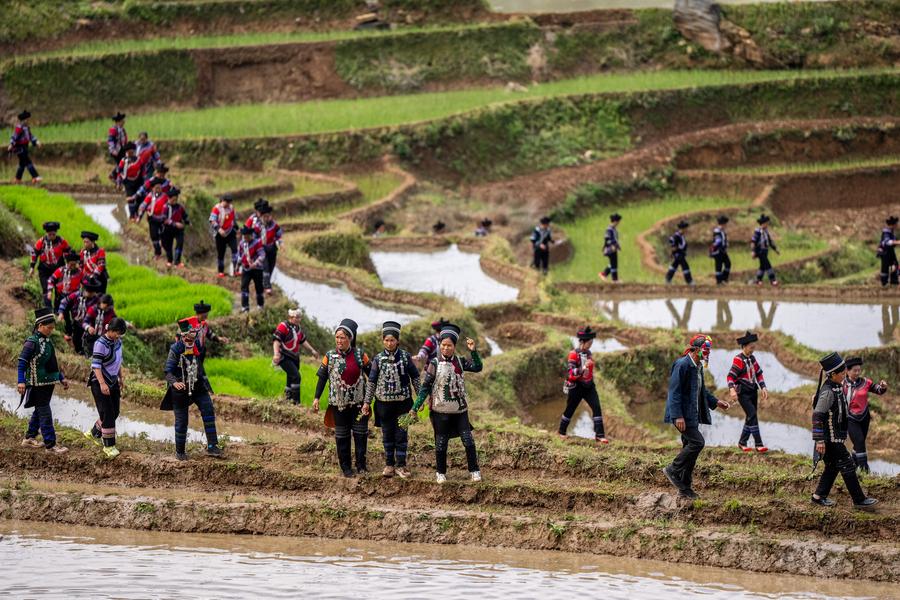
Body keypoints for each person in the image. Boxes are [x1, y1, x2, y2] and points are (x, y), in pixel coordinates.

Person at [412, 323, 483, 483]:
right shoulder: (434, 364)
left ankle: (474, 470)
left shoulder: (460, 361)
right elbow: (425, 388)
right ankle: (440, 472)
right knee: (441, 442)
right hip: (440, 411)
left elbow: (478, 367)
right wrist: (415, 407)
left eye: (449, 346)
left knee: (468, 440)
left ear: (454, 346)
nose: (446, 348)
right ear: (440, 345)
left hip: (460, 411)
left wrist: (473, 351)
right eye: (443, 345)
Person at [663, 334, 729, 499]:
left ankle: (685, 488)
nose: (707, 353)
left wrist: (716, 402)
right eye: (705, 350)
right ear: (697, 350)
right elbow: (674, 392)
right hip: (682, 415)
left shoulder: (698, 366)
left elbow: (701, 390)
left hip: (692, 414)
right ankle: (672, 469)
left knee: (690, 451)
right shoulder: (682, 365)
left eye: (709, 350)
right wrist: (678, 416)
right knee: (698, 442)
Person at [811, 353, 878, 510]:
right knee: (847, 464)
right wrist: (819, 440)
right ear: (833, 374)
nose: (844, 376)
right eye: (842, 373)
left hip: (835, 437)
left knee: (833, 466)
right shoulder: (828, 391)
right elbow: (817, 416)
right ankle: (859, 500)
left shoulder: (836, 386)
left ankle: (818, 496)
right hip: (829, 438)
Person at [313, 319, 371, 477]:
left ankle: (361, 465)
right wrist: (316, 398)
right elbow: (322, 378)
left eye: (342, 337)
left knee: (361, 436)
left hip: (358, 404)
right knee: (342, 437)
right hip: (338, 405)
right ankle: (345, 467)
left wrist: (370, 398)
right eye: (337, 337)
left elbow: (372, 375)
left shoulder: (360, 355)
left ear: (350, 338)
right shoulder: (329, 356)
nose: (339, 340)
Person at [160, 317, 224, 461]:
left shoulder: (198, 347)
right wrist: (175, 383)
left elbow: (199, 365)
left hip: (198, 386)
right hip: (180, 389)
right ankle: (180, 452)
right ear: (183, 335)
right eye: (187, 335)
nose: (190, 338)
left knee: (208, 410)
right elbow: (168, 371)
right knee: (182, 421)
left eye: (193, 334)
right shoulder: (175, 349)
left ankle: (213, 446)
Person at [363, 321, 420, 478]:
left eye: (392, 340)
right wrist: (367, 402)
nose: (389, 343)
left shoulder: (406, 357)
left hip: (404, 405)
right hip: (383, 406)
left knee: (402, 434)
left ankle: (401, 465)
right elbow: (372, 381)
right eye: (386, 340)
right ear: (383, 341)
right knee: (387, 434)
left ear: (397, 341)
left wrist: (419, 400)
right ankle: (389, 464)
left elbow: (415, 377)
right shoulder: (378, 359)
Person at [17, 308, 68, 454]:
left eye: (52, 328)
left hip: (48, 383)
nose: (51, 330)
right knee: (45, 412)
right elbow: (22, 362)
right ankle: (50, 445)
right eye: (49, 328)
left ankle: (29, 437)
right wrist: (21, 381)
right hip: (37, 383)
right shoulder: (31, 343)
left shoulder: (47, 341)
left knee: (40, 410)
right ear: (40, 326)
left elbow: (53, 364)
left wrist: (61, 378)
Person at [85, 317, 127, 459]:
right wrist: (102, 384)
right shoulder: (100, 344)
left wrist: (121, 378)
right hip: (100, 382)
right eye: (118, 333)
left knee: (115, 412)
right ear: (111, 330)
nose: (118, 336)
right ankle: (109, 446)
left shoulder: (118, 342)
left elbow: (118, 361)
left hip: (113, 380)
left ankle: (94, 433)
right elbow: (96, 366)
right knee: (108, 413)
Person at [559, 326, 608, 443]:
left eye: (591, 343)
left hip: (589, 386)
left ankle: (600, 435)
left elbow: (588, 371)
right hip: (576, 386)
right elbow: (571, 372)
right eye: (590, 343)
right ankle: (561, 431)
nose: (591, 345)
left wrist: (588, 370)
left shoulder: (589, 353)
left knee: (596, 407)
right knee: (570, 409)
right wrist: (584, 368)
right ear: (583, 342)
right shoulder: (573, 354)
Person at [843, 357, 887, 474]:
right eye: (854, 371)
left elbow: (878, 390)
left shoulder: (865, 382)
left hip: (864, 417)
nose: (857, 373)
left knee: (858, 444)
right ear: (847, 371)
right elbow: (832, 397)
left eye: (859, 370)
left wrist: (882, 387)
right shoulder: (842, 384)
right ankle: (865, 470)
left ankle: (852, 466)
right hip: (850, 418)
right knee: (860, 441)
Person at [727, 331, 768, 453]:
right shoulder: (738, 360)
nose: (753, 350)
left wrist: (763, 387)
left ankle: (742, 442)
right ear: (744, 346)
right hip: (743, 393)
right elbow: (730, 376)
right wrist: (732, 389)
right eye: (751, 347)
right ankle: (759, 444)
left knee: (750, 417)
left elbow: (759, 373)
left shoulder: (752, 358)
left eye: (754, 347)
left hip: (752, 391)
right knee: (753, 415)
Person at [272, 308, 319, 405]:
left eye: (299, 317)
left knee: (290, 378)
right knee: (296, 377)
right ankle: (296, 402)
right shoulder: (283, 326)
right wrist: (276, 354)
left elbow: (303, 340)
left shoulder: (297, 328)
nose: (298, 319)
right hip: (284, 357)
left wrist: (312, 350)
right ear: (290, 317)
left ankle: (287, 400)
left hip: (294, 358)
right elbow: (276, 340)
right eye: (296, 317)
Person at [57, 276, 102, 355]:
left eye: (93, 292)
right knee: (77, 340)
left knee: (89, 341)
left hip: (89, 325)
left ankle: (88, 353)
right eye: (89, 291)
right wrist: (61, 313)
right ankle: (70, 336)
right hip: (77, 321)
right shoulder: (76, 295)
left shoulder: (97, 300)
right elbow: (64, 302)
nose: (91, 294)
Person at [30, 221, 69, 305]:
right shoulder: (41, 241)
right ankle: (48, 310)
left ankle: (57, 310)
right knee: (46, 289)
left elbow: (69, 252)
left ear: (56, 233)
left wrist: (69, 265)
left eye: (53, 235)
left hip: (58, 270)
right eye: (49, 235)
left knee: (59, 290)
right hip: (44, 270)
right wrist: (32, 267)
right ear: (47, 233)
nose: (51, 236)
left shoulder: (61, 241)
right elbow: (34, 253)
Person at [115, 142, 151, 218]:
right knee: (130, 198)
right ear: (126, 152)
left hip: (139, 181)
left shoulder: (139, 160)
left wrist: (144, 181)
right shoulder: (123, 161)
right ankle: (132, 215)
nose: (130, 153)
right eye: (128, 152)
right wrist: (118, 183)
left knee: (139, 197)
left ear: (134, 152)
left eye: (131, 152)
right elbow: (119, 173)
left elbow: (143, 171)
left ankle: (137, 214)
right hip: (128, 182)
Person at [137, 180, 169, 260]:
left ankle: (167, 251)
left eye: (159, 188)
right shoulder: (150, 196)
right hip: (152, 219)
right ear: (152, 189)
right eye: (156, 188)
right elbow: (143, 206)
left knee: (164, 236)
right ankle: (157, 253)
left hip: (163, 219)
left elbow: (170, 206)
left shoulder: (165, 196)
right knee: (154, 237)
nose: (158, 190)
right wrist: (139, 216)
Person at [236, 225, 266, 312]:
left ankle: (260, 306)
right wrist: (237, 266)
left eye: (247, 236)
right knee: (244, 287)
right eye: (244, 237)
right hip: (246, 269)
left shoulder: (257, 243)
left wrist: (256, 263)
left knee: (259, 287)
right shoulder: (242, 244)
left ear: (251, 235)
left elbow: (262, 255)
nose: (245, 238)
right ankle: (245, 307)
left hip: (257, 269)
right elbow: (240, 255)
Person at [255, 204, 282, 294]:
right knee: (265, 267)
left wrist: (279, 242)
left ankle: (265, 282)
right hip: (262, 250)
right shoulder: (257, 226)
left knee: (271, 267)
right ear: (261, 217)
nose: (267, 218)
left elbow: (279, 234)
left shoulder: (274, 225)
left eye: (268, 216)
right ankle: (267, 287)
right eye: (265, 216)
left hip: (272, 249)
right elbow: (254, 238)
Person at [8, 110, 41, 184]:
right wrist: (11, 144)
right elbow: (14, 136)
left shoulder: (27, 128)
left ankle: (17, 179)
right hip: (20, 148)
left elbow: (30, 136)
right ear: (25, 119)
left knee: (22, 164)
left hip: (25, 147)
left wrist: (36, 141)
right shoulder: (19, 128)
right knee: (28, 162)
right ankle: (35, 177)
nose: (28, 120)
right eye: (28, 119)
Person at [46, 252, 83, 316]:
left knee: (75, 315)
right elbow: (50, 280)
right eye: (71, 264)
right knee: (61, 314)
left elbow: (85, 283)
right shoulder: (61, 270)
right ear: (67, 263)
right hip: (60, 296)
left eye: (74, 264)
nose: (72, 267)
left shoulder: (80, 272)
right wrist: (50, 291)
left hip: (74, 297)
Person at [209, 194, 238, 278]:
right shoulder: (216, 208)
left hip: (230, 232)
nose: (228, 204)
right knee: (221, 253)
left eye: (229, 202)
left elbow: (233, 219)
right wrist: (219, 229)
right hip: (220, 234)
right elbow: (212, 220)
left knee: (235, 250)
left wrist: (237, 228)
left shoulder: (231, 208)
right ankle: (220, 271)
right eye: (227, 202)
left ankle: (235, 270)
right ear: (222, 201)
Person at [160, 187, 189, 268]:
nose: (175, 201)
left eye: (176, 200)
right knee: (168, 246)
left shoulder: (180, 207)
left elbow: (184, 215)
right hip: (168, 229)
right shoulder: (165, 207)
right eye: (173, 200)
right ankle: (169, 260)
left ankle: (177, 262)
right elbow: (164, 219)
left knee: (180, 244)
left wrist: (187, 221)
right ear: (169, 199)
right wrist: (174, 223)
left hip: (179, 230)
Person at [83, 294, 118, 358]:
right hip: (91, 336)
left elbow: (116, 323)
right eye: (105, 306)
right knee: (90, 353)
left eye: (108, 307)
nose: (107, 308)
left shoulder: (111, 313)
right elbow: (84, 322)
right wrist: (88, 327)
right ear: (101, 303)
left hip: (103, 338)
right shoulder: (93, 310)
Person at [751, 214, 779, 286]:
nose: (767, 225)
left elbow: (769, 241)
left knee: (762, 266)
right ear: (763, 223)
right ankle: (773, 280)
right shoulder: (758, 232)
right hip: (760, 251)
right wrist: (753, 251)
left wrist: (775, 249)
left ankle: (758, 280)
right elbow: (753, 242)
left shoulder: (766, 231)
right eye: (766, 223)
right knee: (768, 265)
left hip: (765, 251)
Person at [665, 220, 693, 285]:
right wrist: (674, 250)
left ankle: (668, 278)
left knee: (674, 265)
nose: (687, 230)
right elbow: (672, 243)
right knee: (685, 266)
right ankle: (689, 281)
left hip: (681, 254)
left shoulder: (681, 236)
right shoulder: (676, 236)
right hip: (678, 254)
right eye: (686, 228)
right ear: (683, 228)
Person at [598, 213, 622, 282]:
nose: (619, 223)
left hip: (614, 248)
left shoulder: (613, 229)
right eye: (618, 221)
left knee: (613, 263)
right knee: (614, 264)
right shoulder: (609, 229)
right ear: (615, 221)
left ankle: (603, 274)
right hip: (611, 248)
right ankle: (614, 279)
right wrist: (609, 246)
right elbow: (607, 239)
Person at [877, 216, 899, 287]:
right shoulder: (886, 232)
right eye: (896, 224)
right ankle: (884, 283)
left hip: (890, 251)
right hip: (885, 252)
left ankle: (894, 282)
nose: (897, 225)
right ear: (893, 225)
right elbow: (887, 242)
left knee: (895, 265)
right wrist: (897, 242)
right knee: (885, 268)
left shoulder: (891, 232)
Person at [710, 215, 730, 285]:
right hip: (718, 251)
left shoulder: (722, 231)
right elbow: (717, 242)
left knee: (728, 263)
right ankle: (719, 282)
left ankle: (724, 278)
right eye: (725, 224)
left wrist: (726, 244)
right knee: (719, 266)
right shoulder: (717, 231)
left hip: (723, 251)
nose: (726, 225)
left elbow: (724, 240)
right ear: (722, 224)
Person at [107, 112, 127, 178]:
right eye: (122, 121)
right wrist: (113, 150)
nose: (124, 122)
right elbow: (110, 140)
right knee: (121, 164)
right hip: (116, 150)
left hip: (122, 149)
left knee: (123, 163)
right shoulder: (113, 129)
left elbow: (124, 139)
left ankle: (115, 176)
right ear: (118, 122)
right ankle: (115, 176)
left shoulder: (123, 130)